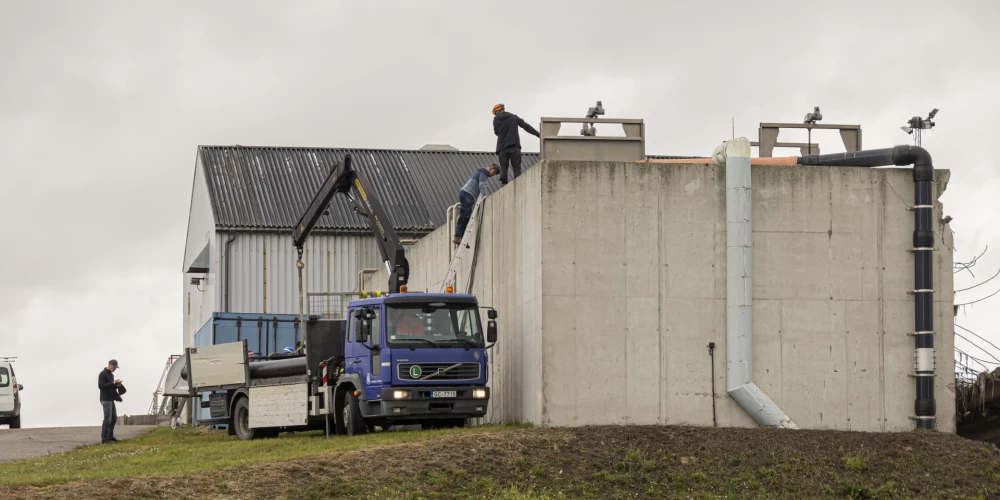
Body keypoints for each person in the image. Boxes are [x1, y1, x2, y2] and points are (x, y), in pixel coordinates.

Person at [492, 103, 540, 185]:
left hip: (502, 147)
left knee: (503, 166)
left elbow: (496, 132)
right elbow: (526, 126)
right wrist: (538, 134)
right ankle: (518, 183)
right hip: (514, 146)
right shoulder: (514, 117)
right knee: (516, 167)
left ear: (496, 111)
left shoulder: (496, 119)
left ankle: (504, 183)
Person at [454, 163, 499, 245]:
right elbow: (481, 185)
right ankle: (457, 235)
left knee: (466, 216)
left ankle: (461, 237)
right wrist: (485, 197)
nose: (493, 174)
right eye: (494, 172)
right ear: (490, 168)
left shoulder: (481, 172)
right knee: (464, 216)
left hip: (467, 194)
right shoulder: (483, 171)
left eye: (495, 173)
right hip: (467, 194)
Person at [98, 359, 121, 444]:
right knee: (107, 419)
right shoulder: (102, 374)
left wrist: (116, 385)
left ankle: (110, 436)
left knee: (114, 418)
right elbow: (101, 386)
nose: (115, 369)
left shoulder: (111, 375)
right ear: (110, 365)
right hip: (105, 399)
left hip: (111, 399)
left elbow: (111, 386)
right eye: (114, 367)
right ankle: (104, 438)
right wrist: (112, 383)